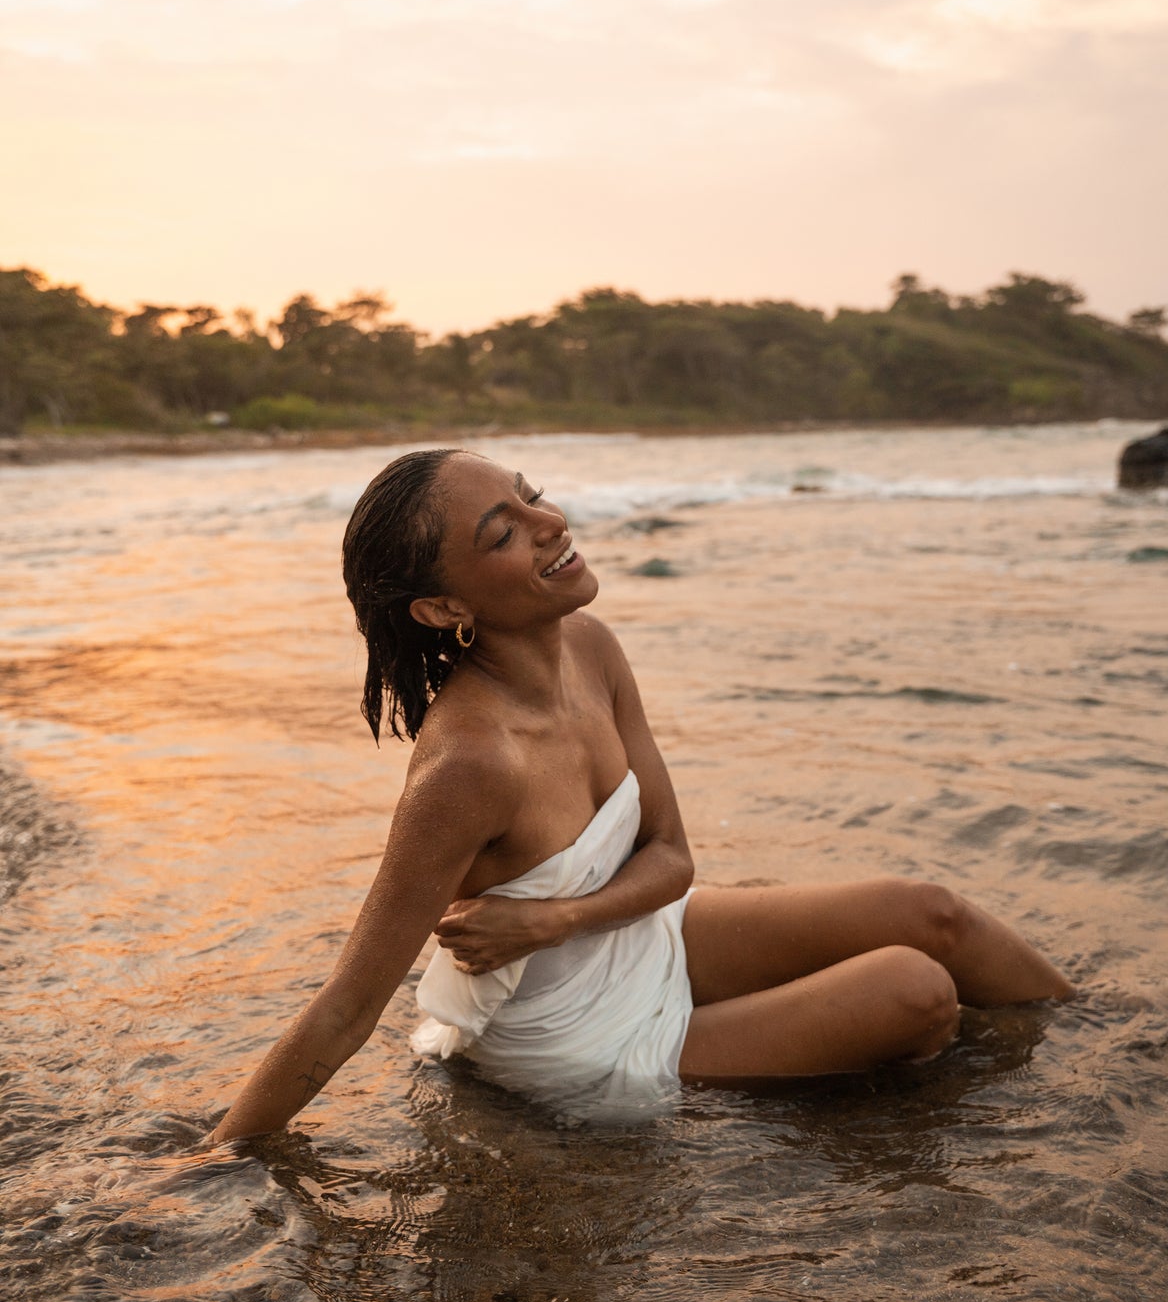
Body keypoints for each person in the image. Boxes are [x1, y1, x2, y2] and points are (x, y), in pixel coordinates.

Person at [208, 449, 1072, 1143]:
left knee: (928, 911)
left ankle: (1103, 1034)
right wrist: (210, 1157)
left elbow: (672, 858)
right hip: (574, 1035)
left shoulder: (590, 647)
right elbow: (349, 1003)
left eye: (533, 496)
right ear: (442, 607)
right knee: (914, 988)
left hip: (625, 935)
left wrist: (555, 919)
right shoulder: (469, 767)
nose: (553, 524)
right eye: (506, 532)